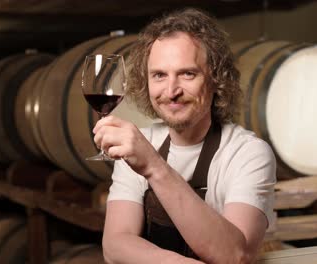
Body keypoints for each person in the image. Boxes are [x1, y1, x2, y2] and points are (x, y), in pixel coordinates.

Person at [94, 8, 276, 264]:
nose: (171, 91)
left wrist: (153, 166)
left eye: (187, 73)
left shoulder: (247, 153)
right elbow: (115, 245)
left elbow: (237, 256)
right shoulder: (139, 143)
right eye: (159, 75)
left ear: (215, 79)